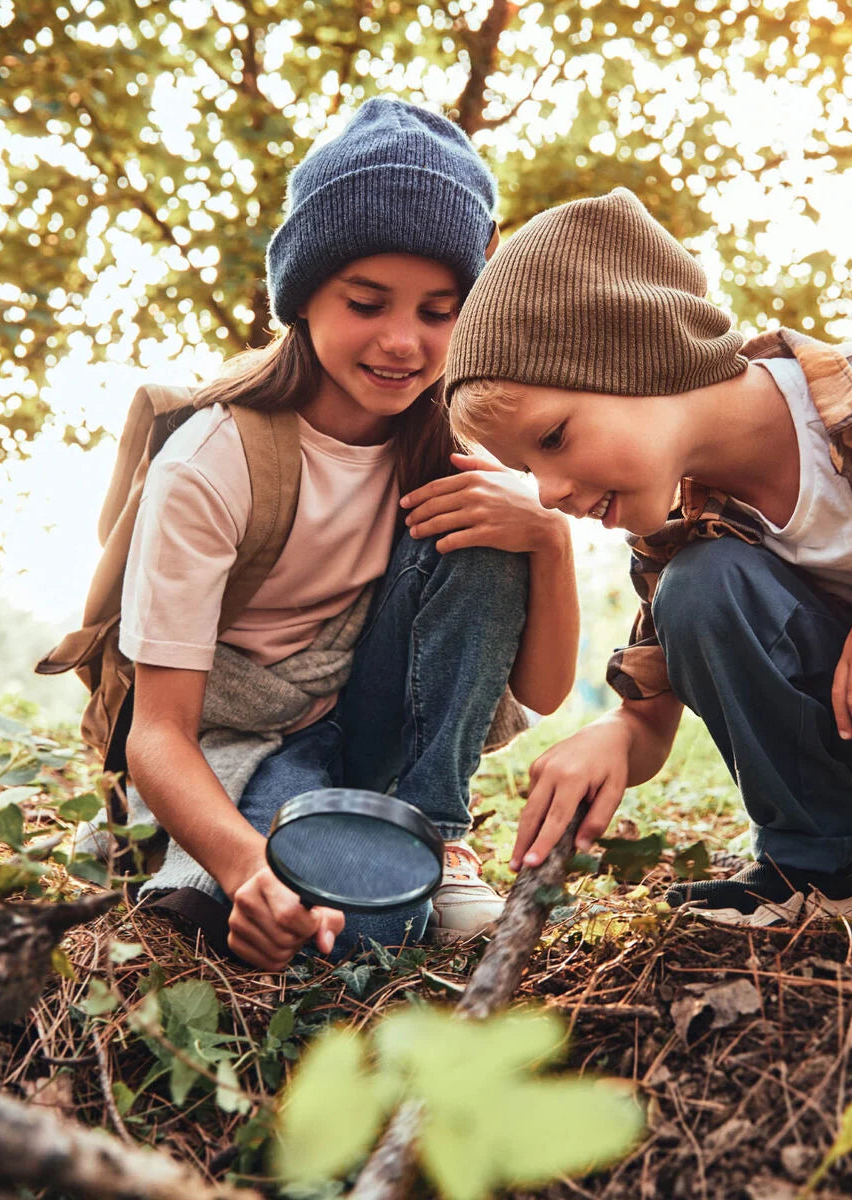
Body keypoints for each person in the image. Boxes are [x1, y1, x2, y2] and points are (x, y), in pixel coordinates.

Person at [441, 186, 852, 950]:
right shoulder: (678, 530)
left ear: (642, 357)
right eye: (527, 470)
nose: (551, 491)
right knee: (703, 586)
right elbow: (650, 714)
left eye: (555, 439)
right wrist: (611, 736)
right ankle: (819, 876)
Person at [121, 99, 578, 970]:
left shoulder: (452, 450)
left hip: (373, 719)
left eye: (440, 313)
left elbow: (546, 691)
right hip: (246, 740)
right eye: (367, 302)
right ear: (304, 297)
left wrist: (547, 537)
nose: (403, 342)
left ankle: (435, 834)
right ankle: (271, 844)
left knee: (485, 524)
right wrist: (247, 870)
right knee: (333, 936)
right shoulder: (212, 463)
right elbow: (158, 732)